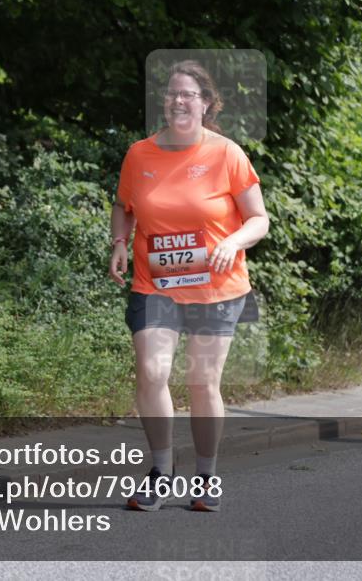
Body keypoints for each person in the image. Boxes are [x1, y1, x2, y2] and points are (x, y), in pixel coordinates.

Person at [109, 60, 269, 510]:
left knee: (202, 383)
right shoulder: (140, 154)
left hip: (216, 288)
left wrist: (234, 240)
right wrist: (119, 241)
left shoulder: (227, 153)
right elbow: (124, 205)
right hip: (154, 283)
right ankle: (161, 470)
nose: (178, 101)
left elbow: (259, 219)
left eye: (188, 95)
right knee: (153, 373)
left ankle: (206, 476)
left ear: (205, 104)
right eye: (172, 94)